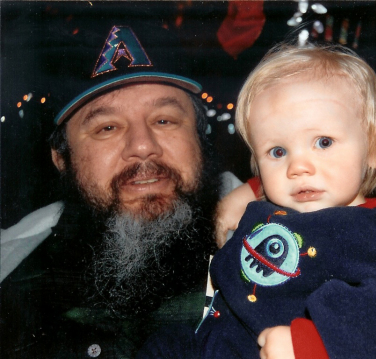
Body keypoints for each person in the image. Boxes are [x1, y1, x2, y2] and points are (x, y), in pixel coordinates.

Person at [137, 44, 376, 359]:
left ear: (375, 146)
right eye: (278, 151)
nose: (297, 167)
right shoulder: (272, 207)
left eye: (323, 142)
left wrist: (314, 344)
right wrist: (248, 191)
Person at [0, 19, 242, 359]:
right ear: (61, 159)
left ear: (200, 138)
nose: (143, 147)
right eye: (107, 127)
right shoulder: (12, 277)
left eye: (164, 120)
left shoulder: (286, 250)